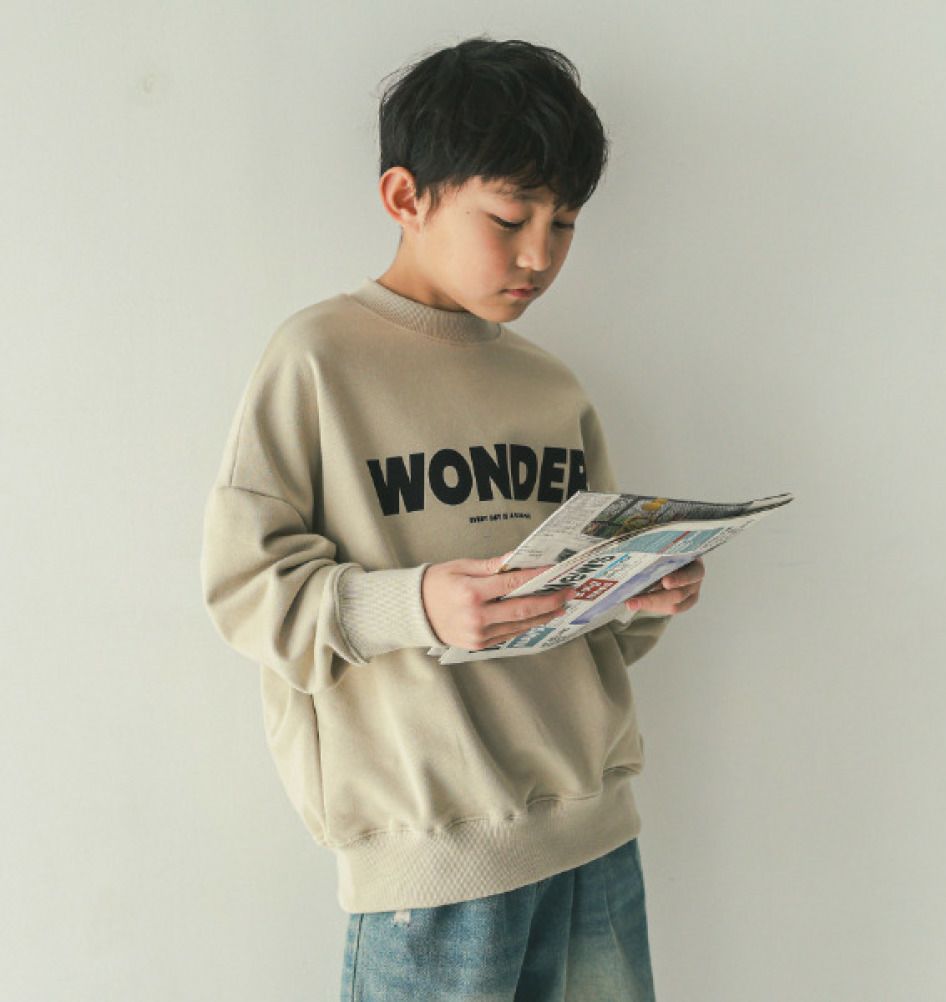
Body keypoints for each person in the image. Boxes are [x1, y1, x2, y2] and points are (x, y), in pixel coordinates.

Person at [200, 35, 705, 1002]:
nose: (540, 255)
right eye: (511, 217)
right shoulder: (318, 360)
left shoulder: (553, 388)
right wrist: (417, 605)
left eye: (564, 224)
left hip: (595, 835)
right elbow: (244, 591)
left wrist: (639, 593)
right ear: (407, 196)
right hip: (431, 863)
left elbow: (588, 633)